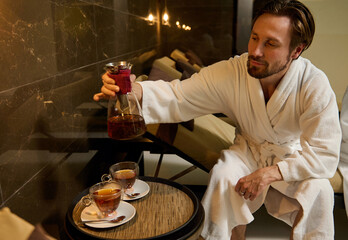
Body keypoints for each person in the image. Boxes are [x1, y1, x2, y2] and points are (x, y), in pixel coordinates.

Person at [94, 0, 342, 239]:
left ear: (296, 50)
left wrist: (270, 173)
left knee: (319, 191)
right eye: (254, 37)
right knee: (223, 176)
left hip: (289, 156)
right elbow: (179, 95)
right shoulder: (234, 72)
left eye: (270, 44)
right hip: (249, 151)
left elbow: (325, 153)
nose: (255, 51)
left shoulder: (313, 85)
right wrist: (133, 91)